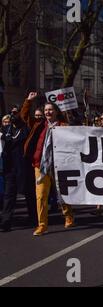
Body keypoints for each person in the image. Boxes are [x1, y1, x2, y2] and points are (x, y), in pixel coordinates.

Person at [20, 92, 75, 236]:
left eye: (50, 110)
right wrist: (28, 101)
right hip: (40, 165)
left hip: (59, 165)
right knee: (41, 196)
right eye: (46, 110)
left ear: (56, 112)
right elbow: (24, 116)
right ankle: (42, 225)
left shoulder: (64, 126)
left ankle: (68, 215)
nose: (48, 112)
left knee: (62, 194)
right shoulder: (38, 125)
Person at [0, 112, 37, 232]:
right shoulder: (6, 129)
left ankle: (33, 218)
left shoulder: (26, 130)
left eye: (16, 114)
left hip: (24, 167)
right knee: (8, 195)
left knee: (29, 193)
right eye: (12, 114)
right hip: (9, 168)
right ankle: (6, 221)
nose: (13, 116)